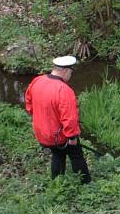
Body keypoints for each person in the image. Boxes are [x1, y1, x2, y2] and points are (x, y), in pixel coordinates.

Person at [25, 55, 91, 184]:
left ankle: (57, 183)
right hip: (59, 136)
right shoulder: (64, 90)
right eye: (71, 72)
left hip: (42, 133)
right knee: (76, 156)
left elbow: (29, 104)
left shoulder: (37, 81)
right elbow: (70, 118)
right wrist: (72, 137)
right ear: (65, 71)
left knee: (57, 155)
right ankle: (86, 184)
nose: (70, 76)